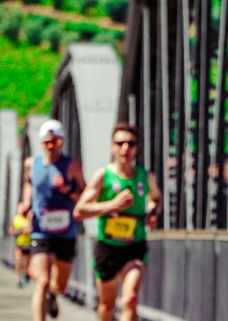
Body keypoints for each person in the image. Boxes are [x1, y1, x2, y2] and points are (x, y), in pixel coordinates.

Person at [74, 123, 161, 321]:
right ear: (112, 146)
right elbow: (79, 211)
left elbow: (156, 198)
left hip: (134, 246)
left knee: (130, 299)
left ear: (136, 148)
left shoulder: (144, 177)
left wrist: (151, 211)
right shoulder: (103, 176)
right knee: (107, 306)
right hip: (108, 248)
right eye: (120, 143)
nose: (125, 148)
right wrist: (111, 205)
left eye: (131, 143)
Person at [22, 119, 86, 320]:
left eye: (56, 141)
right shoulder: (31, 164)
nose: (51, 145)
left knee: (59, 285)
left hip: (65, 232)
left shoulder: (72, 166)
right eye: (47, 141)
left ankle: (53, 295)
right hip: (40, 230)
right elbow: (28, 185)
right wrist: (25, 204)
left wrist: (67, 189)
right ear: (41, 142)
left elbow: (85, 198)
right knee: (41, 281)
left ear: (63, 142)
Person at [9, 202, 33, 288]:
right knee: (18, 261)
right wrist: (20, 231)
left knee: (27, 263)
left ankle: (26, 275)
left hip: (28, 243)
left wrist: (22, 230)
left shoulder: (29, 217)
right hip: (19, 243)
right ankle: (18, 279)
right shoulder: (16, 218)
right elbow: (12, 230)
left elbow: (30, 228)